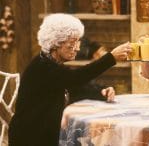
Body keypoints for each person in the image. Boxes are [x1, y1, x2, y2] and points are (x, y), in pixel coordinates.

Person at [8, 13, 131, 146]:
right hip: (30, 138)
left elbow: (73, 87)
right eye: (72, 43)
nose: (77, 48)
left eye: (78, 42)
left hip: (43, 134)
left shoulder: (48, 63)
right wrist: (111, 57)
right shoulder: (43, 67)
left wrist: (100, 92)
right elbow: (75, 78)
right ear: (56, 43)